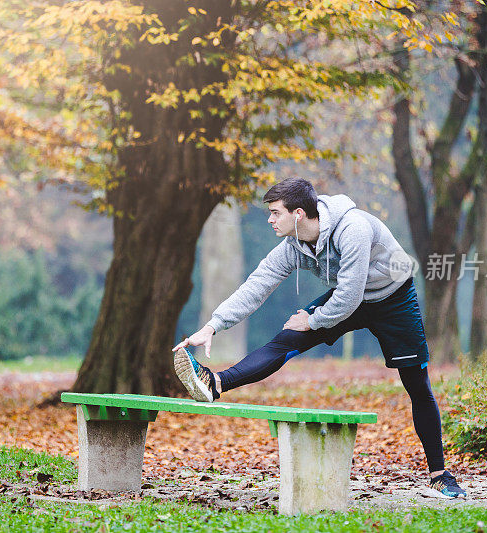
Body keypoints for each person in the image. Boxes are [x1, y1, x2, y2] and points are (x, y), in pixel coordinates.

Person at [172, 177, 467, 499]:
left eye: (275, 213)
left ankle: (440, 475)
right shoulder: (293, 246)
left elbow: (351, 294)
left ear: (298, 213)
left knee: (417, 385)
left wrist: (312, 320)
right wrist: (213, 325)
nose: (270, 220)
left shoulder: (352, 228)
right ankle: (215, 383)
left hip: (393, 298)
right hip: (347, 297)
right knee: (286, 340)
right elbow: (257, 285)